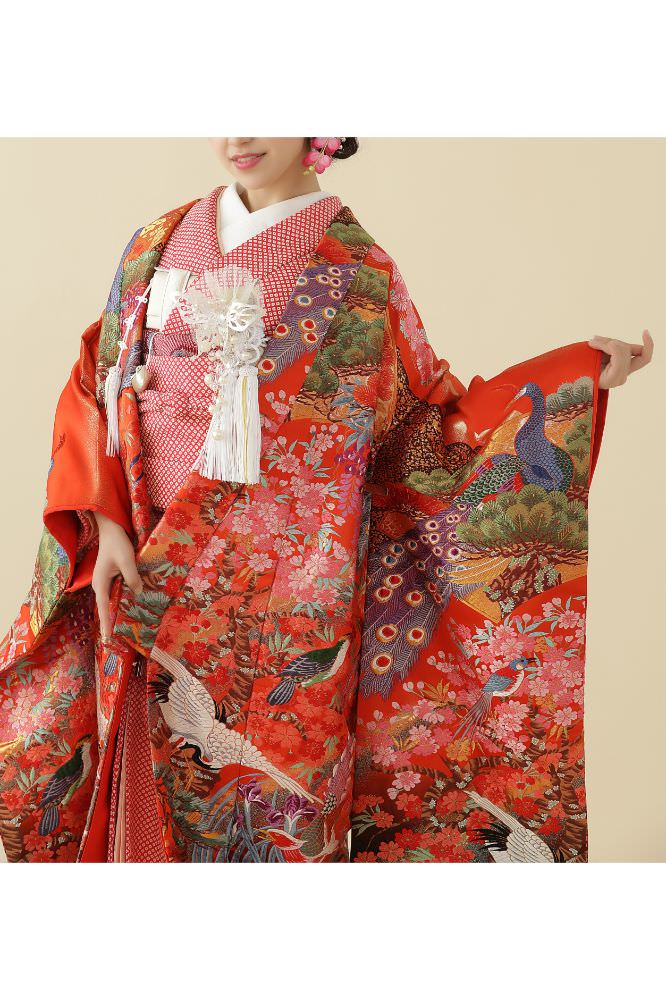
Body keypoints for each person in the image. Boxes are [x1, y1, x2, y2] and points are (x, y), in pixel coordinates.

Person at [0, 138, 653, 863]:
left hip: (282, 605)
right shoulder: (157, 242)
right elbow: (97, 382)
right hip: (142, 563)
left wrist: (571, 374)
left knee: (266, 813)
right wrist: (106, 521)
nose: (239, 138)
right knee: (139, 797)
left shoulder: (363, 274)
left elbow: (428, 432)